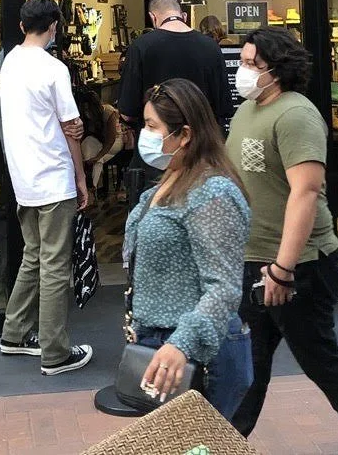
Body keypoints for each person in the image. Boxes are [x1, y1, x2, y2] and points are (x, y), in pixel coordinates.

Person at [225, 27, 338, 455]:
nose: (241, 70)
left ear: (275, 70)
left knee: (320, 359)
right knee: (247, 364)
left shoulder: (296, 115)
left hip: (298, 265)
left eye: (249, 62)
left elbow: (306, 192)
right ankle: (224, 443)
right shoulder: (247, 110)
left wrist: (283, 268)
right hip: (251, 258)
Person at [124, 78, 252, 419]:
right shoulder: (170, 178)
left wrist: (180, 345)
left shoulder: (213, 193)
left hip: (194, 355)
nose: (145, 135)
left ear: (184, 135)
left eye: (153, 127)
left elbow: (223, 289)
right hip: (161, 346)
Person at [0, 0, 94, 375]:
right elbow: (72, 128)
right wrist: (81, 176)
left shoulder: (8, 64)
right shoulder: (54, 68)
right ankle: (55, 351)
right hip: (53, 175)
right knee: (54, 263)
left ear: (22, 26)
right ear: (54, 26)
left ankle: (15, 332)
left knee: (34, 256)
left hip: (23, 176)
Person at [118, 0, 232, 206]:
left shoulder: (141, 47)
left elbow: (127, 110)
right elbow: (223, 106)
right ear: (184, 16)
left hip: (156, 156)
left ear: (153, 17)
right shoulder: (210, 48)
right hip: (202, 155)